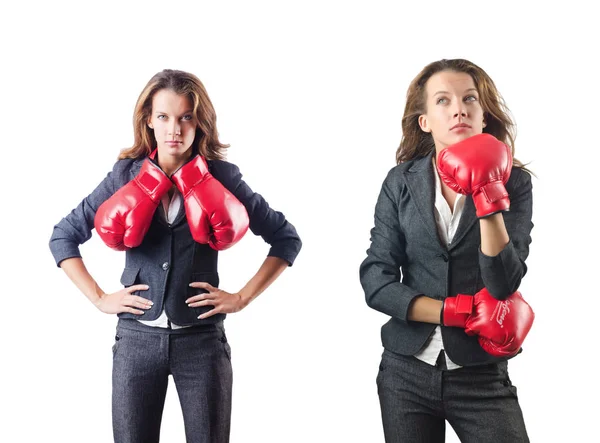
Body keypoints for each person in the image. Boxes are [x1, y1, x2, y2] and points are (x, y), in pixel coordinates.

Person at [49, 69, 302, 443]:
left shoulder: (222, 177)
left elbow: (285, 238)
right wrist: (100, 298)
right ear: (148, 120)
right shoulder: (124, 176)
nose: (175, 130)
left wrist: (241, 298)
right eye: (164, 117)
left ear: (200, 122)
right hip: (135, 340)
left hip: (201, 342)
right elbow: (63, 236)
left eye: (186, 117)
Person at [359, 59, 534, 442]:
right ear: (425, 121)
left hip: (481, 375)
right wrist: (451, 312)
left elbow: (503, 282)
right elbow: (376, 279)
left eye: (470, 98)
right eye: (443, 100)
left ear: (483, 116)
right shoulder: (400, 182)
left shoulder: (514, 183)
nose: (459, 108)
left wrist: (487, 193)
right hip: (405, 370)